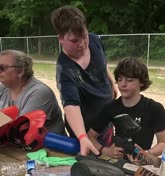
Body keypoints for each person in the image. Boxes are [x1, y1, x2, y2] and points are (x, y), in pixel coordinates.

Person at [51, 6, 119, 155]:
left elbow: (103, 63)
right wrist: (82, 137)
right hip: (85, 128)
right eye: (74, 40)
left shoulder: (94, 40)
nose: (82, 44)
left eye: (84, 36)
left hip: (106, 119)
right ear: (61, 39)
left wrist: (112, 83)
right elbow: (71, 106)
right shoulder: (65, 69)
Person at [88, 57, 165, 162]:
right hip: (116, 163)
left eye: (129, 80)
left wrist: (146, 154)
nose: (123, 84)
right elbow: (90, 136)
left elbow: (164, 143)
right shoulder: (110, 107)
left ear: (142, 82)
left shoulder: (154, 108)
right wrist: (105, 150)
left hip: (142, 165)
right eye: (120, 79)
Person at [0, 50, 65, 134]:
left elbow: (20, 129)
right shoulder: (1, 88)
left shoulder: (39, 92)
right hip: (12, 144)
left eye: (3, 68)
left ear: (20, 72)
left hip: (48, 148)